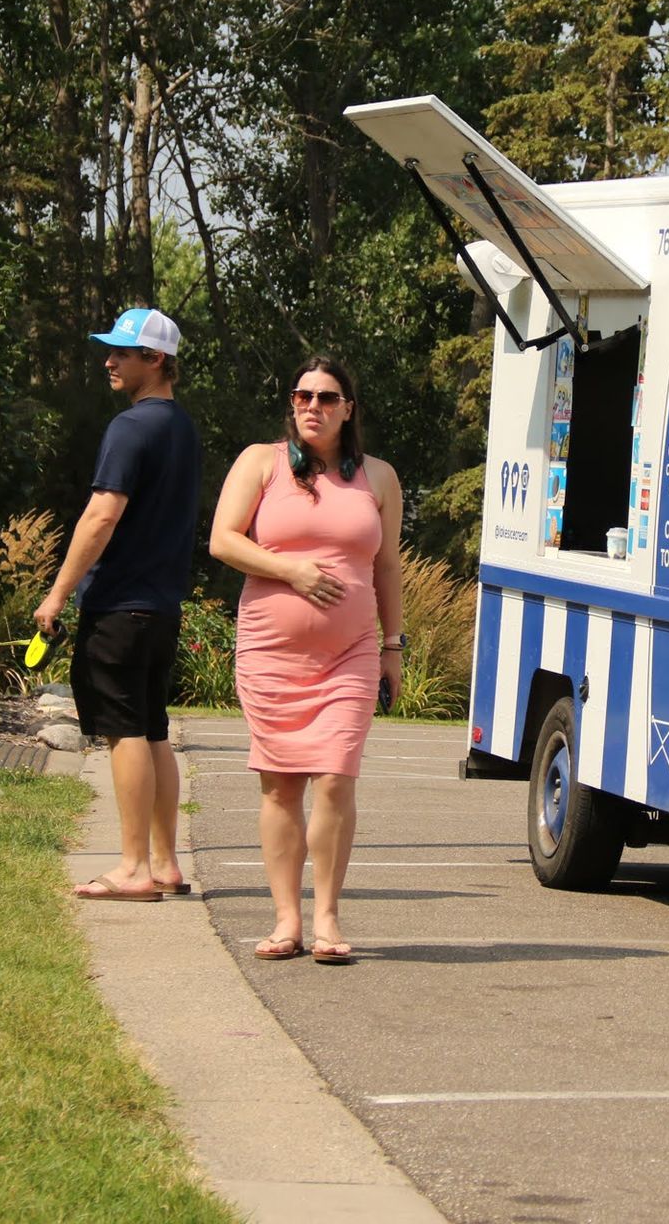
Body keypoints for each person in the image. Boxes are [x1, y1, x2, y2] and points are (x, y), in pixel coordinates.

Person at [209, 355, 403, 962]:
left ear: (348, 409)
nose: (312, 406)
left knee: (337, 779)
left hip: (351, 652)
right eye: (302, 396)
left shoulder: (379, 477)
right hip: (271, 652)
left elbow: (387, 567)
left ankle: (327, 918)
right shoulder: (259, 463)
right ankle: (286, 920)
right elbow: (223, 540)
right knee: (279, 785)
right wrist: (290, 570)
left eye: (326, 397)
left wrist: (394, 646)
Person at [36, 307, 202, 902]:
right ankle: (165, 863)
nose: (108, 361)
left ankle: (133, 868)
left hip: (119, 607)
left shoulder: (130, 428)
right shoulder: (182, 428)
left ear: (154, 360)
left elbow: (101, 515)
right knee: (153, 730)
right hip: (160, 609)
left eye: (121, 353)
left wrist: (57, 592)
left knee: (125, 732)